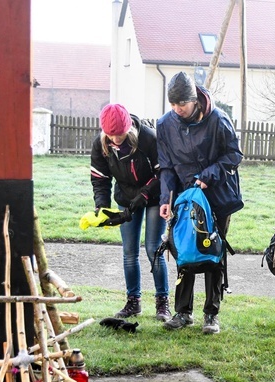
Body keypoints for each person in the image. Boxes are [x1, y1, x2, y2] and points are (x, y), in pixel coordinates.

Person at [157, 71, 244, 334]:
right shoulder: (165, 125)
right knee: (183, 250)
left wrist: (209, 175)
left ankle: (211, 314)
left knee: (211, 249)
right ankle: (183, 312)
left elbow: (234, 155)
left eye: (182, 104)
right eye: (172, 104)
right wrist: (166, 198)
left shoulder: (218, 119)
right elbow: (167, 166)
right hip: (184, 198)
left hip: (216, 195)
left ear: (194, 101)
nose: (177, 109)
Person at [90, 103, 170, 321]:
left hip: (152, 197)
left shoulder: (147, 138)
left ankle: (162, 302)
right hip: (125, 198)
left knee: (154, 248)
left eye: (120, 134)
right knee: (129, 252)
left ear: (129, 128)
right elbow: (100, 178)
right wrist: (102, 207)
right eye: (111, 135)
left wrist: (144, 194)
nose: (116, 139)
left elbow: (162, 171)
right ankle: (133, 301)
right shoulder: (101, 145)